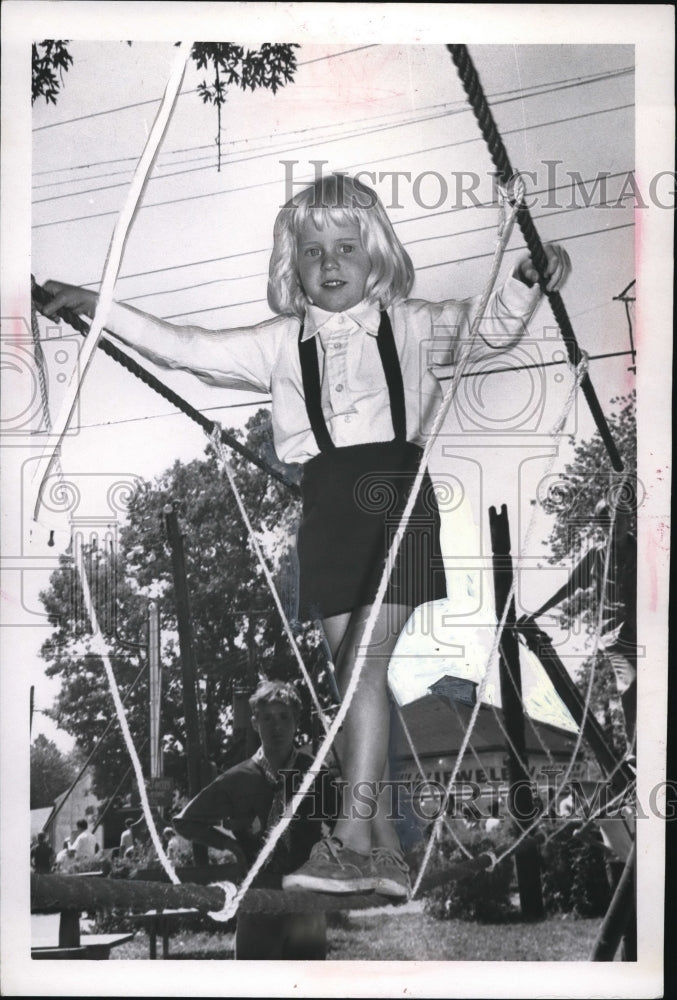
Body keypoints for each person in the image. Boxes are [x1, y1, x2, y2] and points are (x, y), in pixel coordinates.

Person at [42, 172, 571, 899]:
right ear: (292, 264)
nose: (330, 262)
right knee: (357, 683)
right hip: (324, 513)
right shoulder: (277, 344)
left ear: (375, 254)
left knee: (358, 669)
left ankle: (352, 837)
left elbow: (491, 323)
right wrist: (101, 308)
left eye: (346, 246)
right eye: (313, 250)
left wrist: (527, 278)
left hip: (392, 494)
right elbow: (185, 345)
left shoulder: (411, 323)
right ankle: (384, 847)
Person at [173, 679, 335, 959]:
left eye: (285, 717)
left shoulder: (315, 774)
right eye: (267, 718)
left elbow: (343, 824)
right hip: (257, 900)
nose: (276, 726)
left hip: (305, 901)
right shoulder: (238, 778)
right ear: (254, 722)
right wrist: (231, 845)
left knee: (308, 984)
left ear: (297, 722)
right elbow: (184, 822)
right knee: (256, 983)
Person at [519, 498, 637, 752]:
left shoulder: (645, 550)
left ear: (629, 521)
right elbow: (569, 588)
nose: (614, 528)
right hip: (615, 633)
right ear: (601, 527)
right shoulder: (596, 556)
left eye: (619, 521)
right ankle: (634, 750)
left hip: (647, 628)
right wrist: (537, 613)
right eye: (607, 523)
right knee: (629, 681)